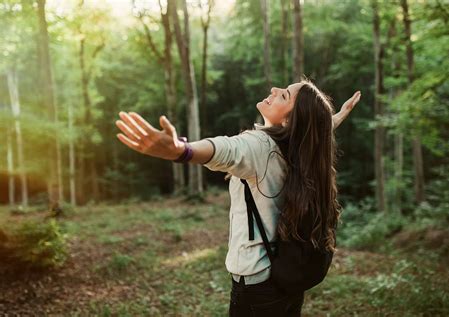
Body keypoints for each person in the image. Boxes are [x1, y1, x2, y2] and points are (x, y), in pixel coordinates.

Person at [115, 79, 361, 316]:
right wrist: (334, 118)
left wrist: (183, 150)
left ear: (289, 121)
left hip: (257, 286)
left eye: (284, 94)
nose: (274, 89)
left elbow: (226, 150)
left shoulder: (259, 146)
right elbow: (312, 128)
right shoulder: (300, 146)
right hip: (286, 276)